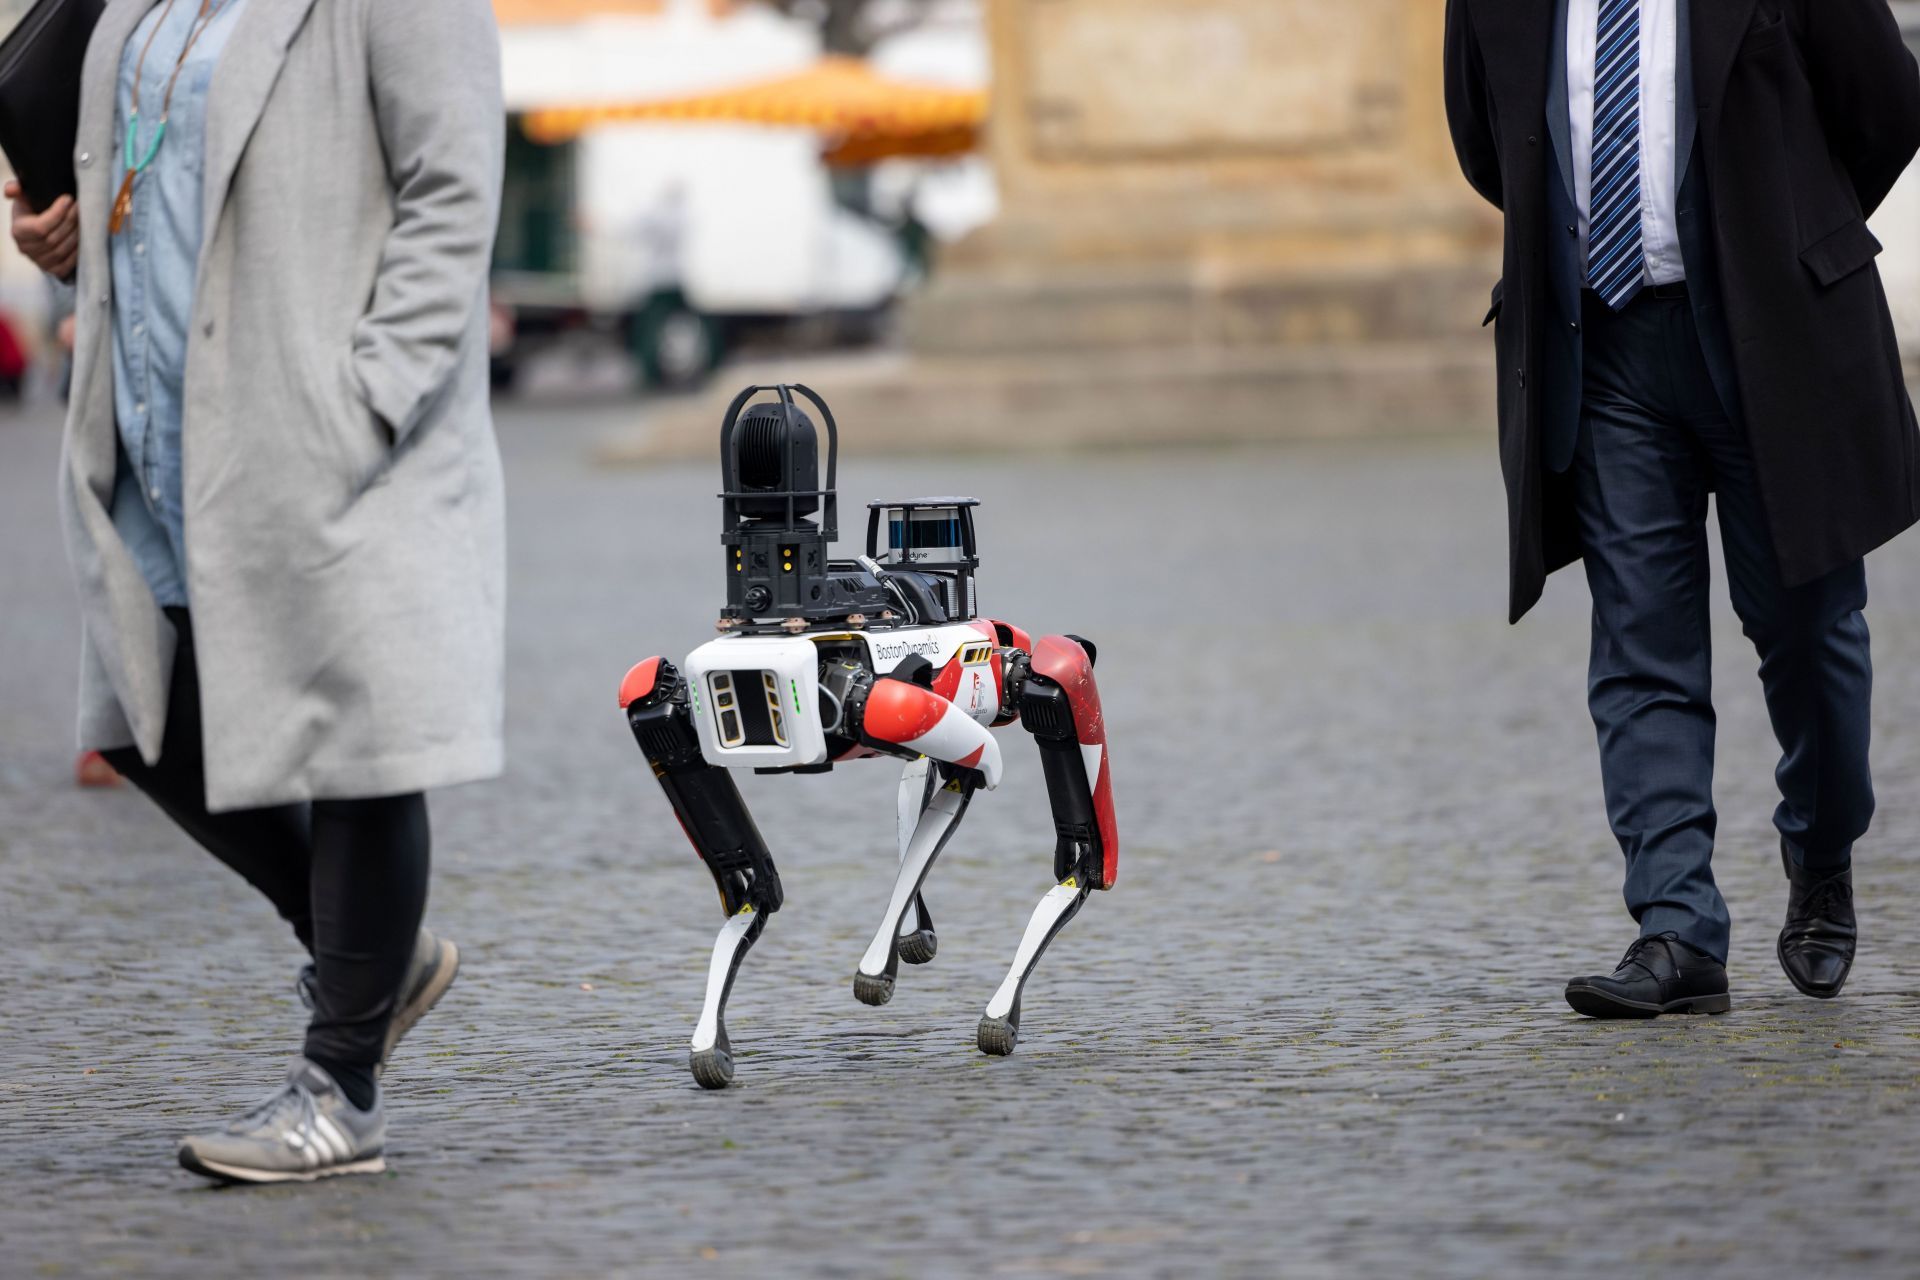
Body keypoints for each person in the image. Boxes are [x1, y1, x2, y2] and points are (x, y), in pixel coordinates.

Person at [8, 0, 505, 1181]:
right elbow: (140, 176)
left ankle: (342, 1092)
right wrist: (62, 232)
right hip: (160, 426)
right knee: (141, 717)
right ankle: (379, 959)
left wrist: (371, 392)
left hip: (321, 425)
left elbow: (453, 192)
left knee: (355, 735)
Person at [1444, 0, 1920, 1017]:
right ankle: (1677, 926)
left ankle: (1822, 848)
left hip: (1772, 336)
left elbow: (1883, 105)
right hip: (1607, 346)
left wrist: (1791, 232)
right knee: (1640, 641)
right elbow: (1492, 142)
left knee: (1811, 635)